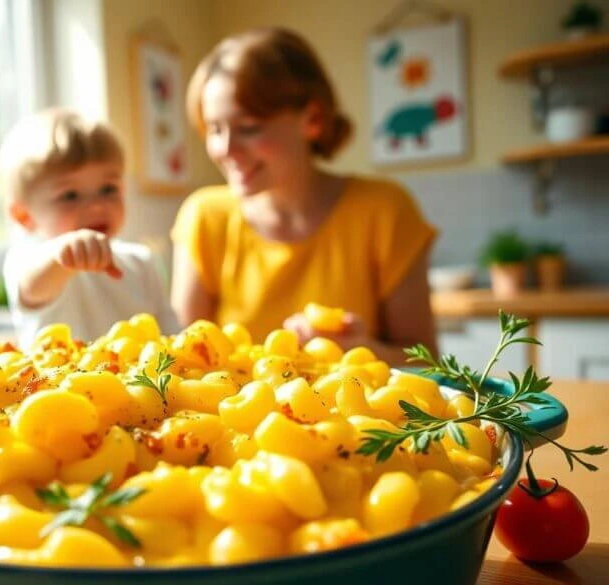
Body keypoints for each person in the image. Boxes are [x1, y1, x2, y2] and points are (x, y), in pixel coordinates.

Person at [171, 28, 437, 364]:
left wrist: (360, 351)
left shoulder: (385, 210)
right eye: (215, 128)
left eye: (249, 127)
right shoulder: (204, 216)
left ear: (312, 119)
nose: (226, 150)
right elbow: (179, 363)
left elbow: (428, 366)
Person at [0, 108, 178, 348]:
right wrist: (61, 254)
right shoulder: (29, 258)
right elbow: (32, 286)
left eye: (108, 189)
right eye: (70, 195)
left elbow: (171, 338)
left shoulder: (142, 262)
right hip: (56, 384)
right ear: (24, 216)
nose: (96, 206)